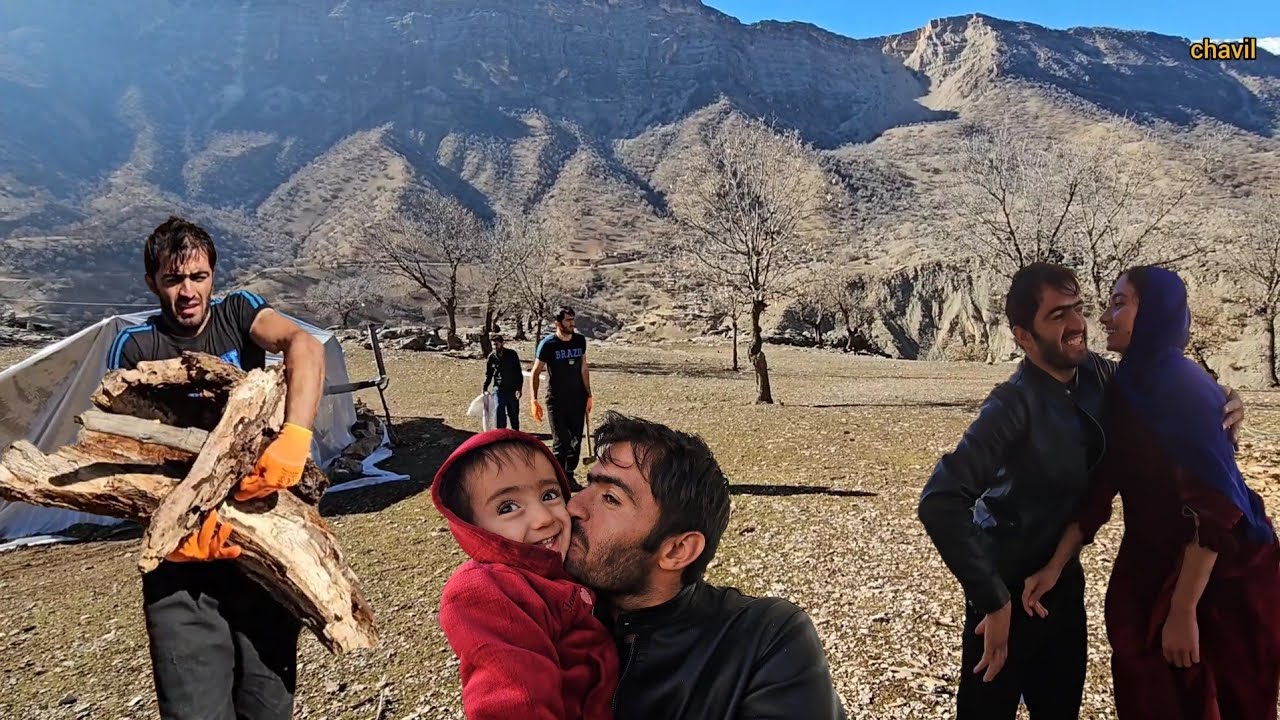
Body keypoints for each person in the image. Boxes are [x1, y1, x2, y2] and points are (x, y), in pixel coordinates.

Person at [916, 262, 1244, 720]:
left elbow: (1160, 385)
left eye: (1078, 308)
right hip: (1002, 584)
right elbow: (940, 500)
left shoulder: (1099, 377)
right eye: (1056, 316)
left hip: (1062, 584)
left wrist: (1221, 397)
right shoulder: (1009, 408)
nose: (1076, 325)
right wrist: (992, 599)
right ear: (1024, 337)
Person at [1023, 265, 1280, 719]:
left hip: (1219, 585)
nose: (1104, 317)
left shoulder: (1178, 387)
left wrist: (1183, 610)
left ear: (1156, 312)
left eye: (1120, 303)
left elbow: (1217, 507)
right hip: (1153, 573)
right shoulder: (1130, 382)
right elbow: (1104, 485)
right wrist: (1054, 565)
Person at [107, 216, 326, 720]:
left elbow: (305, 347)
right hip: (182, 564)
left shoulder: (239, 312)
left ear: (213, 276)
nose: (188, 291)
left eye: (198, 277)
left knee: (268, 704)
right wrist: (179, 526)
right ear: (153, 283)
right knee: (195, 708)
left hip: (259, 546)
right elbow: (127, 446)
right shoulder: (137, 347)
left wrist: (294, 439)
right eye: (173, 279)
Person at [565, 410, 846, 719]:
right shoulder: (548, 615)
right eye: (587, 485)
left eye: (610, 498)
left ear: (677, 550)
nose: (573, 506)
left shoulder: (761, 639)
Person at [431, 428, 619, 718]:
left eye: (549, 494)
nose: (544, 518)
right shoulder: (487, 590)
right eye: (508, 507)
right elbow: (513, 694)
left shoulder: (567, 566)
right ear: (474, 530)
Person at [530, 306, 592, 486]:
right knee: (560, 442)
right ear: (557, 323)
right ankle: (556, 479)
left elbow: (583, 367)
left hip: (577, 398)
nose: (572, 323)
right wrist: (534, 400)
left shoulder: (580, 341)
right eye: (568, 320)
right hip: (556, 399)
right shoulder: (548, 344)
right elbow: (535, 372)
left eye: (573, 320)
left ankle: (569, 475)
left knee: (575, 441)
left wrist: (588, 394)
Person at [482, 333, 523, 430]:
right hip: (498, 388)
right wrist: (485, 387)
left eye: (497, 344)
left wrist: (519, 388)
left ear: (502, 343)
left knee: (513, 412)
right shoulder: (491, 357)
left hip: (511, 388)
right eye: (493, 345)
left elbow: (518, 372)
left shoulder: (512, 355)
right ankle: (501, 433)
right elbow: (489, 373)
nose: (495, 347)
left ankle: (516, 433)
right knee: (499, 409)